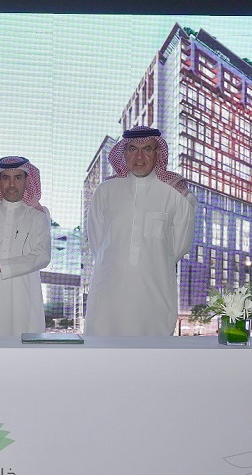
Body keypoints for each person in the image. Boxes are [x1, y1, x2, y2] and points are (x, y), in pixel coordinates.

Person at [85, 126, 197, 336]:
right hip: (108, 296)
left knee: (151, 352)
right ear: (124, 152)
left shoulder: (177, 195)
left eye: (147, 149)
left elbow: (180, 246)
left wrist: (153, 259)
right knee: (103, 350)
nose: (139, 157)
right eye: (132, 149)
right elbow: (96, 242)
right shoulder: (105, 191)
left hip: (154, 295)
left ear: (157, 153)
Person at [0, 156, 51, 336]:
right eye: (6, 178)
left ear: (27, 180)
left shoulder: (38, 217)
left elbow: (43, 255)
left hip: (25, 299)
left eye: (18, 177)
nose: (12, 184)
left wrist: (2, 265)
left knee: (24, 348)